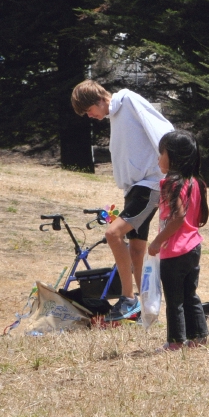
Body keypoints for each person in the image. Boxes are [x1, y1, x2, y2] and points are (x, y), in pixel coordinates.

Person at [71, 80, 174, 322]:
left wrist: (170, 170)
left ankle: (128, 299)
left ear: (98, 100)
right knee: (137, 250)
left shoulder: (128, 100)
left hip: (149, 186)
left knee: (112, 234)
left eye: (89, 111)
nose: (91, 116)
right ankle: (146, 310)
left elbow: (163, 130)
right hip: (134, 189)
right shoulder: (115, 115)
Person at [147, 130, 209, 350]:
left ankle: (175, 341)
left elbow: (177, 217)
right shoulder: (195, 182)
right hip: (193, 247)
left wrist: (157, 241)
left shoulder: (170, 184)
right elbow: (197, 215)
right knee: (190, 294)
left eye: (161, 153)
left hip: (174, 251)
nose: (158, 158)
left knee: (174, 300)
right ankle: (198, 336)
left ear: (172, 156)